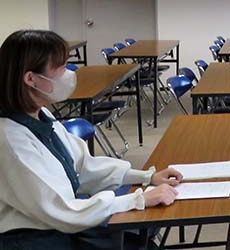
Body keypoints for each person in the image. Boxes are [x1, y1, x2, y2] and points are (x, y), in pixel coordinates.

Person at [0, 30, 182, 250]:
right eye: (61, 68)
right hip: (32, 239)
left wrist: (147, 177)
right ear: (31, 79)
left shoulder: (41, 114)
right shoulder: (9, 138)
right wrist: (137, 199)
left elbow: (83, 166)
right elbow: (61, 210)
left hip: (58, 224)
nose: (68, 74)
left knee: (140, 236)